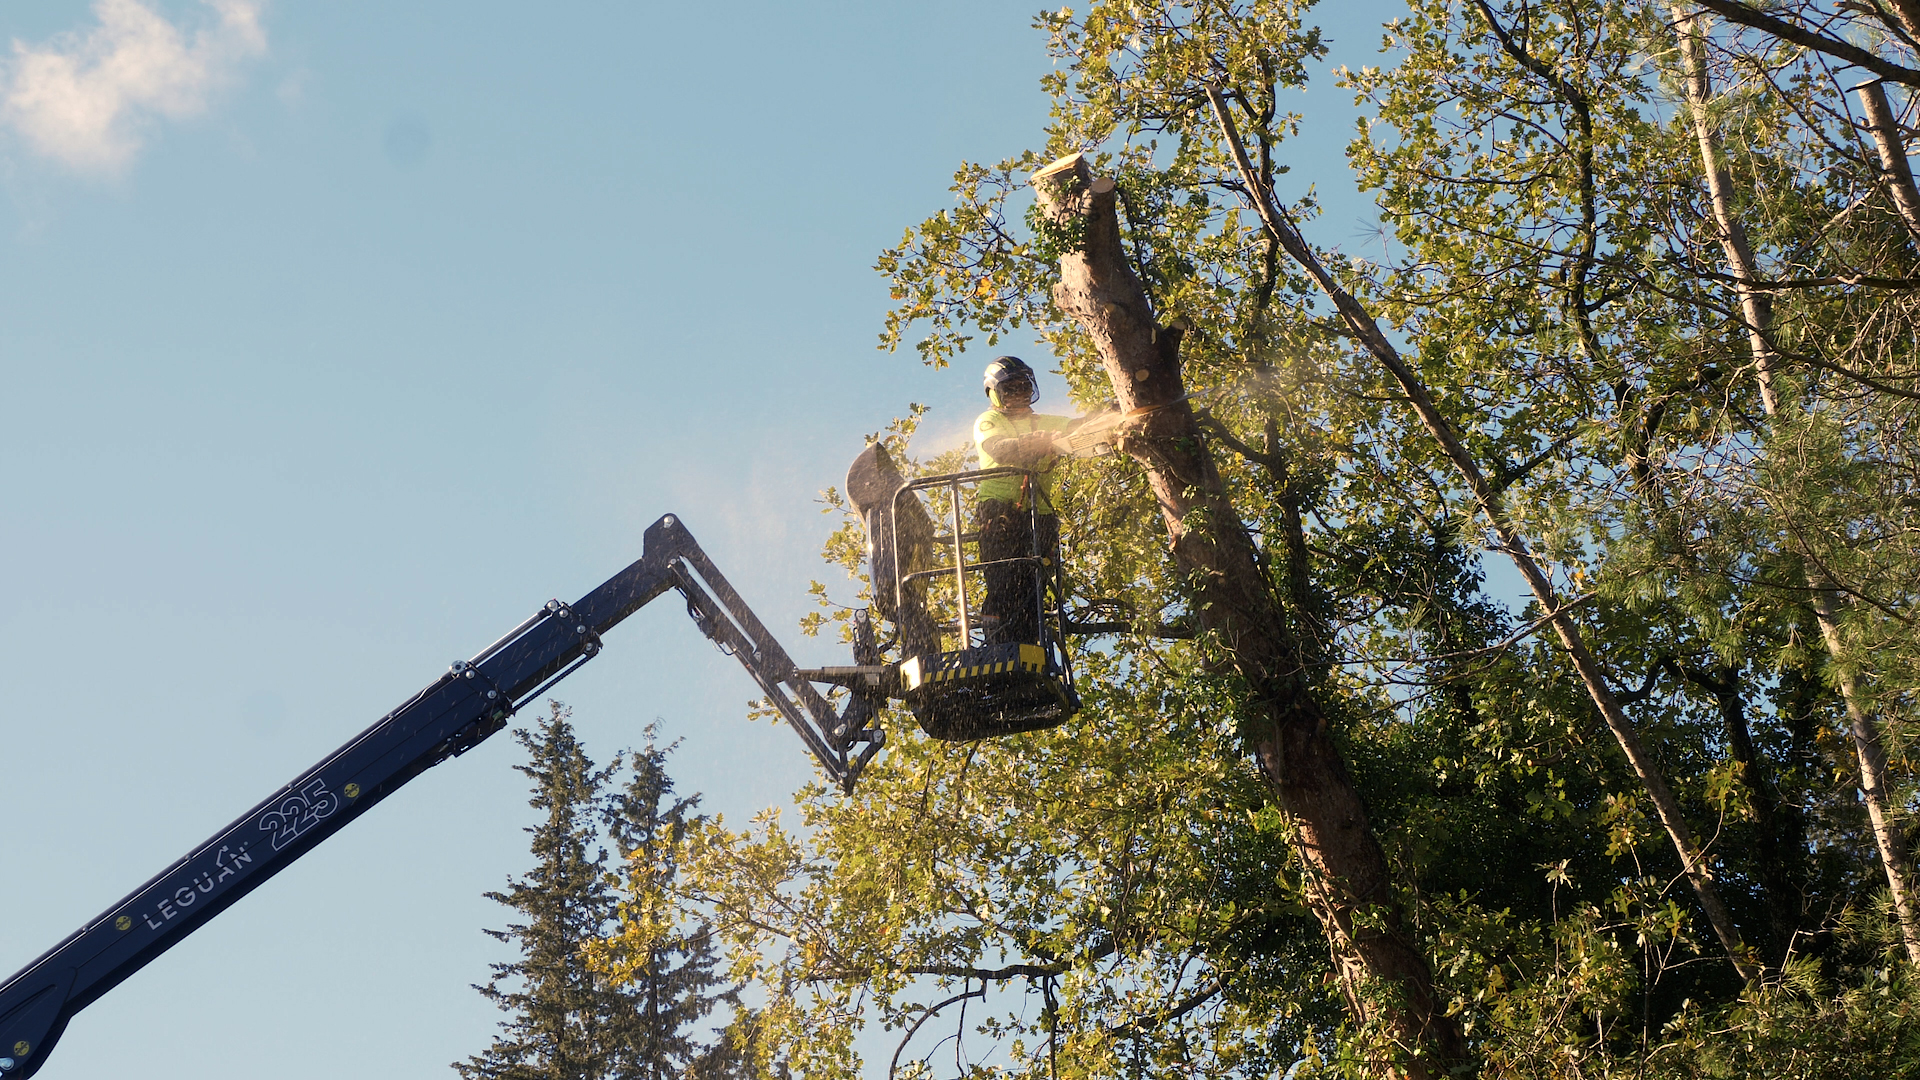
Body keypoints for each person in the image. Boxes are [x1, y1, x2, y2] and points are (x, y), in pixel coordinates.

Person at [972, 356, 1077, 646]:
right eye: (1011, 388)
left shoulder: (1045, 422)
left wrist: (1107, 417)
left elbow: (1077, 426)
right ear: (995, 393)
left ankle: (1032, 646)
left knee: (1033, 587)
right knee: (1004, 580)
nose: (1020, 393)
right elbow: (1000, 448)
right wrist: (1034, 442)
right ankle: (1000, 643)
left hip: (1039, 516)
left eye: (1023, 386)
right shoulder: (989, 420)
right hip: (999, 513)